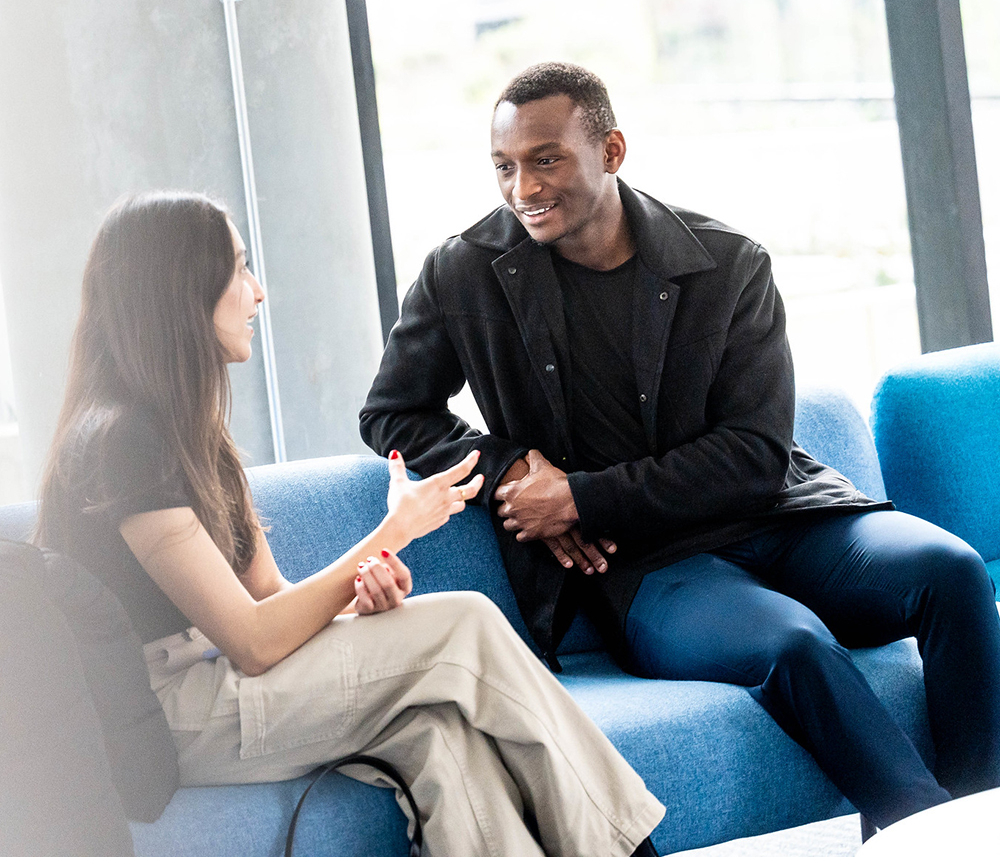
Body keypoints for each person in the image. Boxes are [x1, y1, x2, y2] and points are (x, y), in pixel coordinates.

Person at [360, 62, 1000, 830]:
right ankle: (920, 831)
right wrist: (513, 464)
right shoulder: (464, 273)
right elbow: (393, 414)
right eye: (504, 167)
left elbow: (757, 455)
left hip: (786, 517)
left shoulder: (727, 263)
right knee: (794, 644)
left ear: (612, 151)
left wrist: (580, 497)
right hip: (650, 566)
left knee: (954, 571)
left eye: (546, 160)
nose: (522, 189)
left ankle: (976, 818)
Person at [35, 191, 665, 857]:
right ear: (181, 292)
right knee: (465, 626)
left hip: (219, 684)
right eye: (240, 269)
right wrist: (395, 530)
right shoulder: (123, 441)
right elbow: (252, 642)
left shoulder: (193, 434)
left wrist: (360, 603)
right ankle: (625, 849)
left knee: (436, 730)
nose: (258, 292)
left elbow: (271, 603)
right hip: (172, 713)